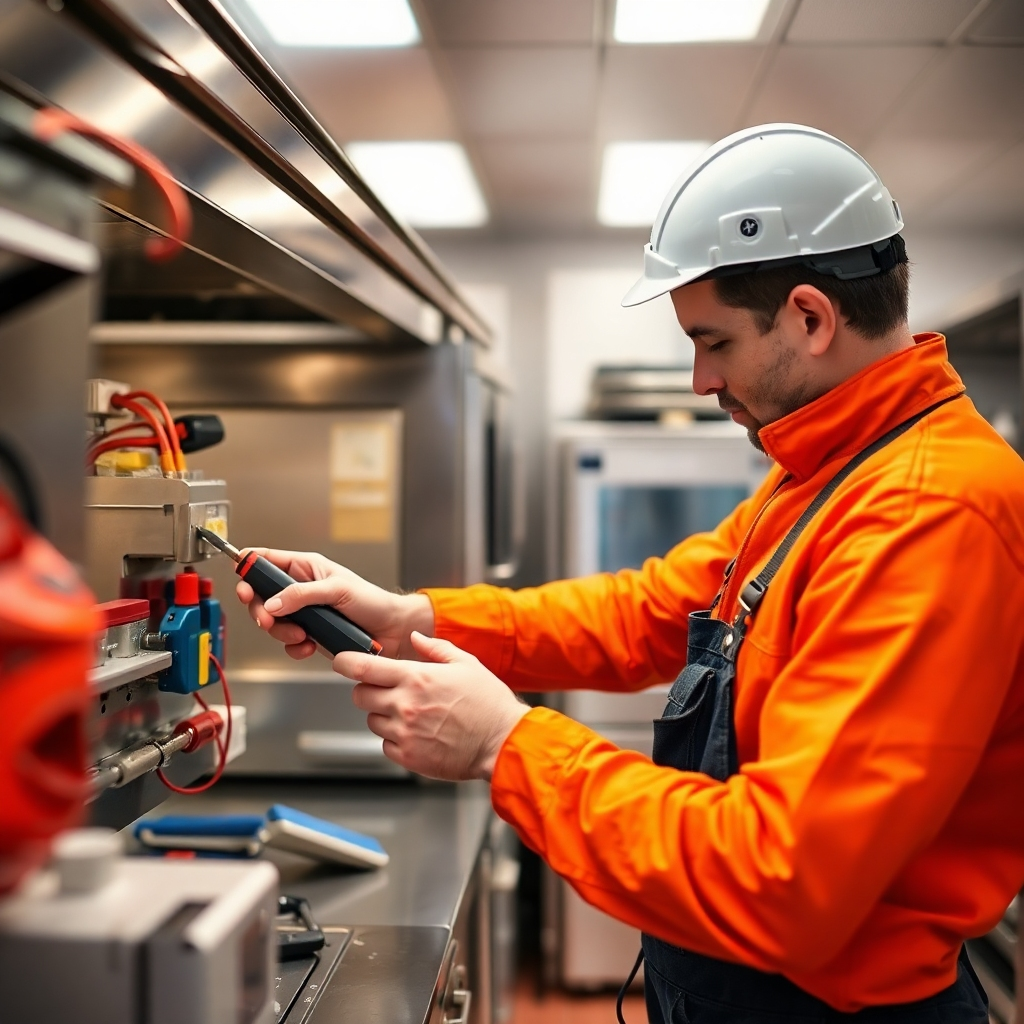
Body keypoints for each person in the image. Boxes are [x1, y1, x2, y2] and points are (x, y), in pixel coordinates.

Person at [237, 125, 1024, 1022]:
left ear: (810, 317)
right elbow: (645, 610)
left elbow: (787, 878)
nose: (697, 379)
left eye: (713, 341)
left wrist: (508, 743)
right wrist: (410, 616)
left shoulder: (929, 512)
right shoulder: (829, 473)